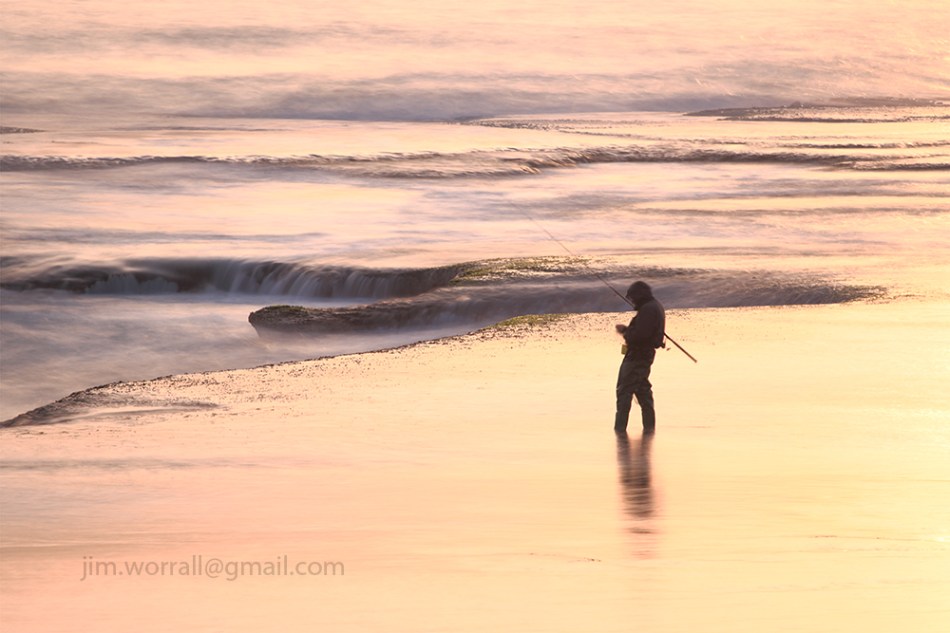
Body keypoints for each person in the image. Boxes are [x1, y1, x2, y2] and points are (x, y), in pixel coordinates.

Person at [614, 281, 665, 434]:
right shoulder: (653, 306)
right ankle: (649, 429)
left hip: (637, 356)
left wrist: (625, 331)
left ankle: (620, 430)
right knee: (642, 390)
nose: (632, 301)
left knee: (624, 390)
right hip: (644, 356)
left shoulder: (649, 309)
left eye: (633, 297)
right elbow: (644, 332)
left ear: (639, 295)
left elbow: (640, 335)